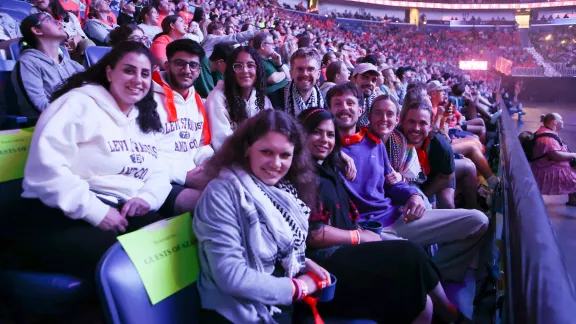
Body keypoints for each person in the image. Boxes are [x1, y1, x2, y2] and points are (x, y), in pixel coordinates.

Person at [15, 41, 170, 283]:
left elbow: (161, 169)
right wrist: (95, 211)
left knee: (172, 249)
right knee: (127, 265)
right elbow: (46, 169)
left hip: (122, 209)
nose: (138, 80)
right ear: (109, 72)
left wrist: (147, 198)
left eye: (145, 73)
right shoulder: (76, 104)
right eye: (129, 70)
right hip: (62, 213)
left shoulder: (147, 116)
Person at [298, 108, 469, 323]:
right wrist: (359, 237)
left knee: (421, 303)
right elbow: (313, 235)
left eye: (330, 135)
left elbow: (390, 183)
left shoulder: (330, 166)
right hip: (326, 261)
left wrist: (412, 194)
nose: (324, 140)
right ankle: (451, 314)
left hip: (350, 245)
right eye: (316, 132)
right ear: (301, 135)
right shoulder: (303, 175)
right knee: (409, 253)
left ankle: (446, 311)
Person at [327, 82, 489, 283]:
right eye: (338, 104)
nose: (344, 108)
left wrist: (412, 196)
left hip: (397, 217)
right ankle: (427, 283)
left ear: (360, 110)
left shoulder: (374, 143)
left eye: (350, 103)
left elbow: (391, 183)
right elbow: (303, 131)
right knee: (412, 256)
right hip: (367, 230)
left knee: (478, 221)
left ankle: (437, 275)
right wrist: (334, 152)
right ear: (328, 110)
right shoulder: (323, 150)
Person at [193, 109, 331, 323]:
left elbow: (277, 251)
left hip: (279, 303)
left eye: (285, 155)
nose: (276, 164)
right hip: (239, 312)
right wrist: (299, 287)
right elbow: (231, 276)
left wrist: (303, 263)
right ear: (248, 148)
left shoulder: (283, 189)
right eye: (267, 152)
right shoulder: (221, 192)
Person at [152, 39, 214, 215]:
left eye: (193, 65)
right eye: (180, 63)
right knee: (211, 206)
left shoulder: (198, 101)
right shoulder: (147, 99)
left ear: (199, 70)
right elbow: (143, 152)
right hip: (160, 180)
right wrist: (183, 175)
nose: (187, 70)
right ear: (167, 65)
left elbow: (201, 145)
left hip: (192, 174)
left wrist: (209, 164)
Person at [12, 13, 84, 118]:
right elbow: (39, 106)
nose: (58, 22)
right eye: (48, 20)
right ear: (37, 30)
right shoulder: (28, 63)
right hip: (47, 127)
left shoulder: (73, 65)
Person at [368, 95, 432, 209]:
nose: (384, 118)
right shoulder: (359, 140)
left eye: (390, 114)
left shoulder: (402, 142)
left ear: (397, 119)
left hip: (400, 188)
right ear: (370, 116)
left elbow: (412, 179)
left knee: (424, 206)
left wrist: (400, 177)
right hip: (370, 197)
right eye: (378, 113)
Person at [205, 46, 273, 151]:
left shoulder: (263, 100)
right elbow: (222, 145)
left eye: (250, 65)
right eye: (238, 66)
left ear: (258, 69)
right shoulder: (217, 99)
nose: (245, 70)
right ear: (231, 71)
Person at [525, 113, 576, 206]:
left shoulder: (545, 132)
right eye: (561, 119)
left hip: (546, 165)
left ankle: (573, 198)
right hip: (547, 170)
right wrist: (572, 155)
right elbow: (554, 155)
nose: (563, 121)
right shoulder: (547, 137)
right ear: (554, 122)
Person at [31, 0, 95, 62]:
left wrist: (78, 38)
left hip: (76, 51)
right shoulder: (35, 13)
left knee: (87, 43)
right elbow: (40, 39)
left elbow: (83, 35)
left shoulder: (70, 16)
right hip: (56, 52)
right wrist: (60, 44)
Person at [276, 47, 325, 115]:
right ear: (291, 73)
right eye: (299, 69)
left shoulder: (326, 100)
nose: (305, 73)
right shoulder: (274, 99)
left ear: (318, 74)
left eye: (310, 69)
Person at [254, 32, 289, 99]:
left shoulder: (271, 59)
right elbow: (274, 79)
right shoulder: (257, 60)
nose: (274, 46)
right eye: (272, 44)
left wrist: (279, 63)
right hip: (277, 99)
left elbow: (289, 77)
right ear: (262, 45)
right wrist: (283, 74)